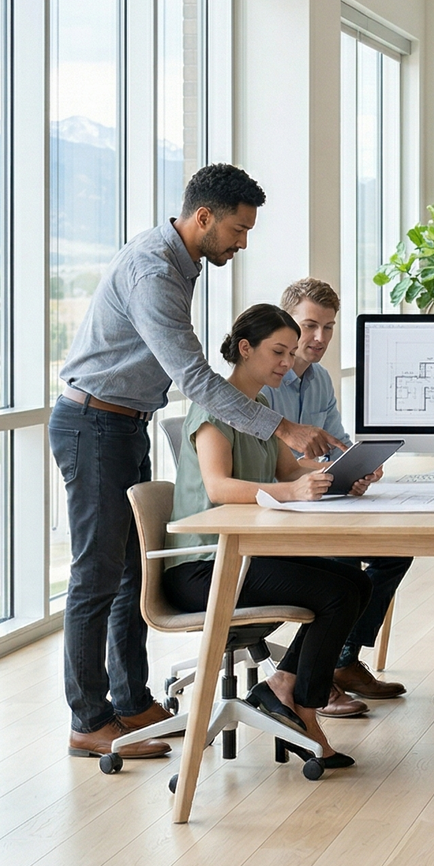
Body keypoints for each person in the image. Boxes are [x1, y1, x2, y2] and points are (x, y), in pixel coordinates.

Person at [52, 164, 341, 763]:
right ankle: (89, 718)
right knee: (97, 575)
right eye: (238, 229)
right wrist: (280, 425)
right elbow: (192, 377)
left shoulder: (181, 267)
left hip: (123, 421)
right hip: (93, 422)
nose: (242, 242)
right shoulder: (155, 271)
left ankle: (130, 702)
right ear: (203, 217)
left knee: (129, 573)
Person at [164, 304, 377, 770]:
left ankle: (285, 688)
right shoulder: (212, 407)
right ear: (245, 348)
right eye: (278, 352)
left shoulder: (258, 408)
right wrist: (292, 489)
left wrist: (341, 474)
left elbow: (289, 469)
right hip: (203, 568)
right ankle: (301, 705)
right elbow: (218, 486)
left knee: (356, 582)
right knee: (338, 592)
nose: (287, 362)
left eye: (290, 352)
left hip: (240, 559)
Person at [263, 278, 412, 717]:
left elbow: (337, 445)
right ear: (286, 322)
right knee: (344, 565)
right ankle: (320, 673)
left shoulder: (321, 380)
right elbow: (274, 466)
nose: (320, 338)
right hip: (280, 507)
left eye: (328, 327)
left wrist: (359, 466)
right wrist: (329, 470)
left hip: (320, 502)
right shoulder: (265, 383)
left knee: (394, 553)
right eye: (310, 326)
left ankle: (342, 660)